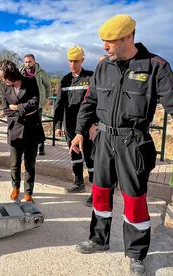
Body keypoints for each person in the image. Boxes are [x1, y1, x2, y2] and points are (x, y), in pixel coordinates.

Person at [69, 14, 173, 275]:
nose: (105, 46)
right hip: (103, 140)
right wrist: (80, 132)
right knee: (100, 193)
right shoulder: (103, 67)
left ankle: (137, 253)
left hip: (133, 142)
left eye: (110, 41)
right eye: (104, 41)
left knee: (134, 200)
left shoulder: (155, 66)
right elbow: (89, 102)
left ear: (128, 37)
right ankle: (98, 239)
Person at [0, 59, 45, 202]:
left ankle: (28, 193)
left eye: (3, 75)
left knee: (30, 164)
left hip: (32, 130)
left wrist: (17, 107)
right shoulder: (4, 87)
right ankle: (15, 187)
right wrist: (23, 109)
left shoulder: (30, 82)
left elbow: (35, 104)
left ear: (11, 74)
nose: (1, 78)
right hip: (14, 131)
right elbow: (6, 110)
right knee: (14, 163)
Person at [53, 46, 94, 207]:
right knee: (75, 157)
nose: (72, 64)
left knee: (91, 159)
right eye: (70, 61)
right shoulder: (64, 80)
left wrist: (95, 124)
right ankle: (78, 182)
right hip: (70, 126)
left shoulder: (91, 77)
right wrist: (57, 124)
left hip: (87, 127)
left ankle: (95, 191)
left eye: (76, 61)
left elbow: (96, 103)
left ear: (82, 60)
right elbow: (59, 104)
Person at [20, 54, 51, 155]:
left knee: (38, 125)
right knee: (24, 126)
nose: (27, 64)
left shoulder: (41, 73)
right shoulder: (21, 72)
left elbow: (47, 85)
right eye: (26, 62)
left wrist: (47, 97)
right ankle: (25, 147)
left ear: (34, 61)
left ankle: (41, 147)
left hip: (37, 104)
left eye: (29, 62)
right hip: (24, 104)